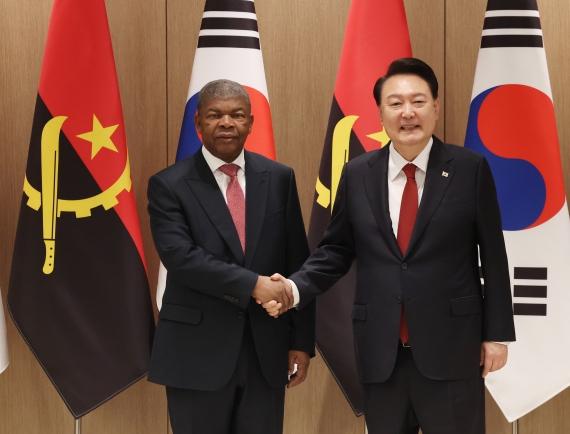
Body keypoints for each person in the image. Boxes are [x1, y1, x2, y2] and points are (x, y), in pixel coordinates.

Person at [265, 58, 515, 433]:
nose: (407, 113)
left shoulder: (469, 169)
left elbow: (494, 257)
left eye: (418, 101)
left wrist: (496, 335)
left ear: (435, 107)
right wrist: (292, 288)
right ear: (381, 112)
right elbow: (335, 251)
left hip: (452, 347)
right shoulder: (357, 173)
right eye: (395, 103)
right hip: (381, 351)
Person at [146, 79, 315, 434]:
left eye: (237, 115)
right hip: (195, 355)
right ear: (198, 123)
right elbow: (181, 258)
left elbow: (298, 263)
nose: (226, 123)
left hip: (265, 353)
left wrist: (300, 342)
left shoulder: (279, 178)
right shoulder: (168, 185)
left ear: (251, 122)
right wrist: (254, 285)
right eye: (215, 115)